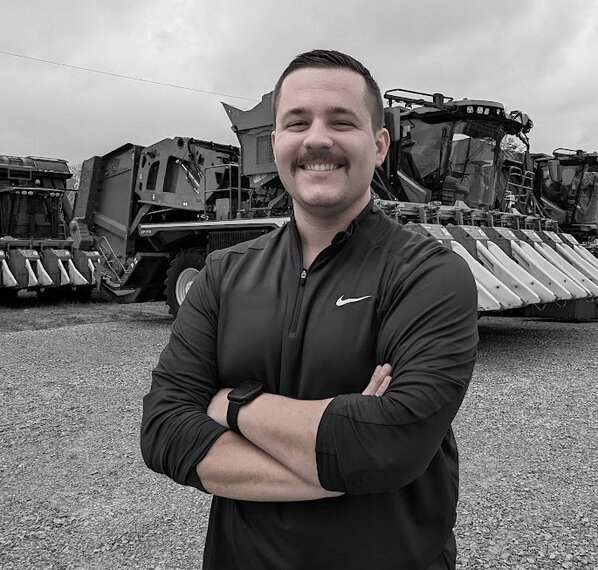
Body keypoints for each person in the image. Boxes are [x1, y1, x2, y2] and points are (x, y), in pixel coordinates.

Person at [141, 49, 478, 570]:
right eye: (297, 122)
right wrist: (336, 468)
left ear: (380, 144)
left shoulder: (430, 274)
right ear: (275, 142)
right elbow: (164, 429)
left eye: (342, 122)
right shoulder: (223, 275)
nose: (317, 138)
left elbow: (389, 445)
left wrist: (232, 405)